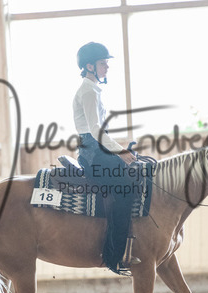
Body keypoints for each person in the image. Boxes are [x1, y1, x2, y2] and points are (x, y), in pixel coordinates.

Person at [73, 42, 140, 273]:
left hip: (97, 150)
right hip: (93, 154)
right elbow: (95, 130)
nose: (107, 67)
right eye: (103, 63)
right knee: (126, 189)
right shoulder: (88, 91)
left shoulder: (93, 89)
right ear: (90, 66)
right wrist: (120, 152)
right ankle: (115, 255)